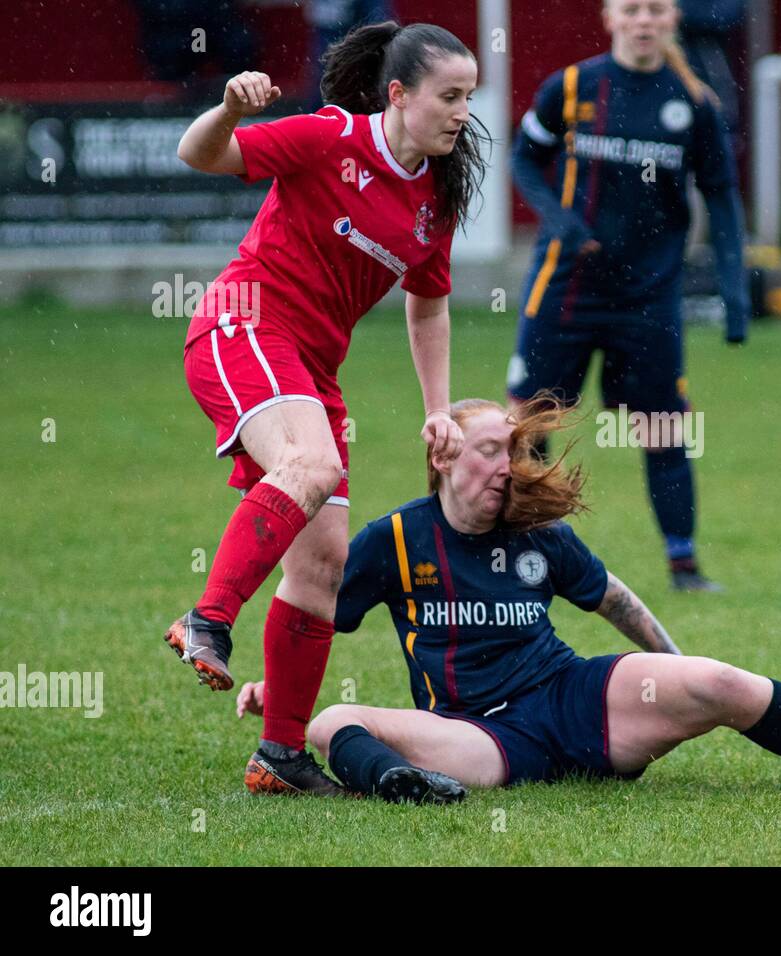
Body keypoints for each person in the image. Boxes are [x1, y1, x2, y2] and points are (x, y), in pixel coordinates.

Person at [234, 399, 781, 798]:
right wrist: (281, 689)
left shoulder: (537, 532)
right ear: (443, 455)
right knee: (333, 722)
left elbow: (614, 601)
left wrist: (680, 675)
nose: (507, 465)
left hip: (572, 698)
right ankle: (400, 785)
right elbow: (320, 619)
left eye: (513, 450)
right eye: (490, 449)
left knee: (720, 681)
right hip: (475, 735)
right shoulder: (395, 537)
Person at [169, 21, 488, 796]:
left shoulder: (432, 202)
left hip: (313, 370)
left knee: (322, 565)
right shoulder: (327, 136)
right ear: (399, 94)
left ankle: (278, 756)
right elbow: (200, 154)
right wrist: (229, 111)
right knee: (313, 463)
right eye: (449, 96)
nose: (461, 113)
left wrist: (438, 410)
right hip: (243, 324)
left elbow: (429, 309)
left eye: (469, 97)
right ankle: (207, 619)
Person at [508, 0, 751, 593]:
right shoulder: (571, 86)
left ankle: (684, 564)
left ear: (672, 20)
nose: (644, 21)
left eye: (657, 11)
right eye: (632, 10)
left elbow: (721, 197)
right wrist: (558, 219)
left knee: (664, 427)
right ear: (610, 17)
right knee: (528, 424)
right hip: (565, 289)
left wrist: (735, 292)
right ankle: (517, 554)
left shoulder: (693, 102)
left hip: (649, 298)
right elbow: (524, 158)